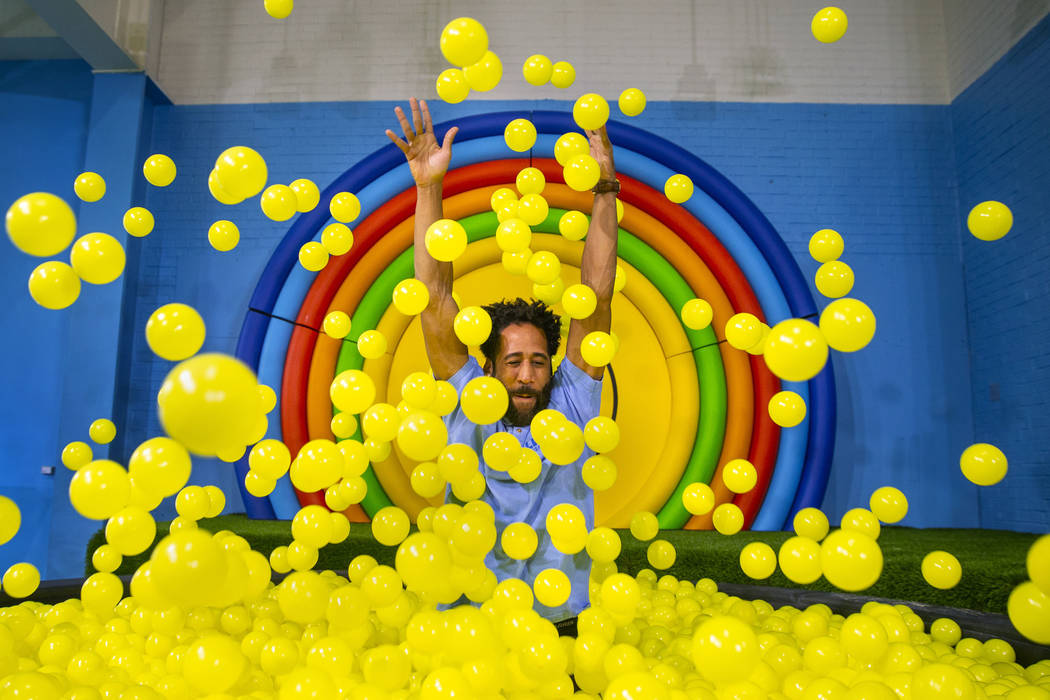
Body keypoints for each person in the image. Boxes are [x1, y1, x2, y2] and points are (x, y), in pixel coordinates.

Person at [386, 98, 618, 621]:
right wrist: (428, 188)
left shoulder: (573, 404)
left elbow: (596, 296)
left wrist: (604, 186)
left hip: (558, 621)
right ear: (489, 367)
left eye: (538, 361)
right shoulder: (469, 401)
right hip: (472, 620)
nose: (527, 375)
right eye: (512, 362)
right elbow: (434, 296)